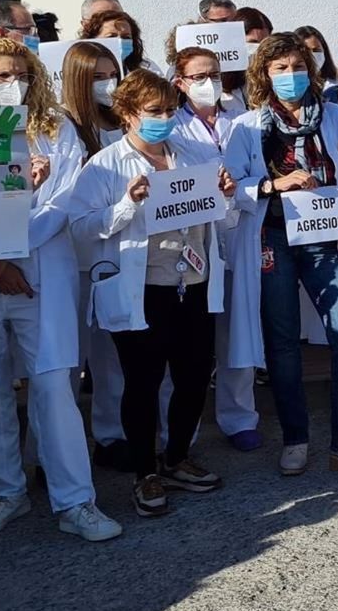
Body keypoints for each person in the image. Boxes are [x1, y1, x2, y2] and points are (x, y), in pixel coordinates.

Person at [0, 37, 121, 541]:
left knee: (52, 385)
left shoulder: (56, 129)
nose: (13, 85)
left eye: (21, 75)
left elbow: (63, 202)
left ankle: (75, 501)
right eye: (1, 76)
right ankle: (6, 492)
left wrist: (9, 250)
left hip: (40, 269)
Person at [71, 69, 237, 517]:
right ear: (126, 113)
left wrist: (226, 197)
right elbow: (81, 231)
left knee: (194, 375)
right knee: (142, 383)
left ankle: (177, 457)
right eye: (153, 112)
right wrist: (127, 205)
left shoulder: (194, 153)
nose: (163, 119)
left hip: (194, 284)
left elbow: (223, 223)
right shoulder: (106, 165)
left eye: (168, 110)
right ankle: (144, 471)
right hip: (142, 290)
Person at [223, 32, 338, 478]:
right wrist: (274, 184)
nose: (291, 76)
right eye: (280, 69)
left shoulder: (334, 117)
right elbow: (230, 189)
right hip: (273, 239)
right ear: (265, 75)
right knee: (283, 343)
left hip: (326, 239)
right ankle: (296, 438)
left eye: (297, 67)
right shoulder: (247, 126)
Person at [170, 45, 259, 450]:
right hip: (193, 240)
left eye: (215, 75)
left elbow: (257, 176)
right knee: (188, 339)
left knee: (237, 329)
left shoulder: (244, 122)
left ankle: (239, 417)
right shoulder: (169, 127)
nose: (209, 83)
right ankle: (177, 433)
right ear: (180, 83)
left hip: (240, 233)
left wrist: (235, 190)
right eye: (198, 77)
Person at [57, 40, 135, 466]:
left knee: (111, 357)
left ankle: (110, 435)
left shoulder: (123, 124)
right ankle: (61, 451)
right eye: (98, 77)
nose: (108, 84)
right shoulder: (65, 126)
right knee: (70, 361)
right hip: (72, 257)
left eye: (112, 75)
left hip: (116, 255)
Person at [82, 8, 154, 75]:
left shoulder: (146, 72)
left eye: (126, 37)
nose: (120, 41)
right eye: (111, 36)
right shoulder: (80, 74)